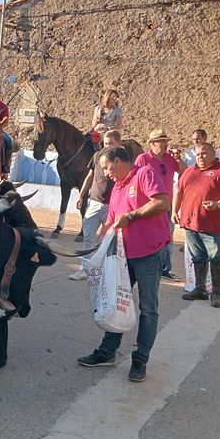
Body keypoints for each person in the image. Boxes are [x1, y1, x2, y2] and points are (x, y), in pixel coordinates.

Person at [76, 145, 170, 382]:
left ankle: (140, 359)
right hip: (122, 257)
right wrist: (99, 247)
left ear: (118, 161)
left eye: (107, 167)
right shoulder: (116, 186)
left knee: (148, 308)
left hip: (149, 254)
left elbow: (161, 203)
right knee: (116, 304)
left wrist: (133, 216)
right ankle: (107, 352)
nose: (105, 173)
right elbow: (110, 221)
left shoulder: (144, 174)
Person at [175, 143, 220, 308]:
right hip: (192, 224)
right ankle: (200, 289)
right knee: (197, 257)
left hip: (215, 226)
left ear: (213, 154)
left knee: (217, 258)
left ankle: (217, 292)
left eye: (204, 154)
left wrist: (219, 204)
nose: (200, 157)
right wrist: (174, 211)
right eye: (197, 154)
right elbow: (179, 190)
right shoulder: (190, 171)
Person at [70, 130, 122, 280]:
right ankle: (85, 269)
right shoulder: (97, 156)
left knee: (107, 240)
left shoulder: (121, 161)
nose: (107, 146)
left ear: (118, 143)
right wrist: (81, 195)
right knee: (88, 237)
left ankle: (103, 270)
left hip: (111, 206)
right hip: (94, 202)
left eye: (111, 143)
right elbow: (90, 175)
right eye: (105, 143)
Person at [135, 129, 187, 280]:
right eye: (161, 141)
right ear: (152, 144)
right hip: (148, 204)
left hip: (166, 205)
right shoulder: (142, 159)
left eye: (166, 141)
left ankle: (165, 268)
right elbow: (136, 179)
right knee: (146, 235)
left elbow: (185, 173)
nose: (165, 144)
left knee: (167, 237)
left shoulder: (171, 159)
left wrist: (178, 159)